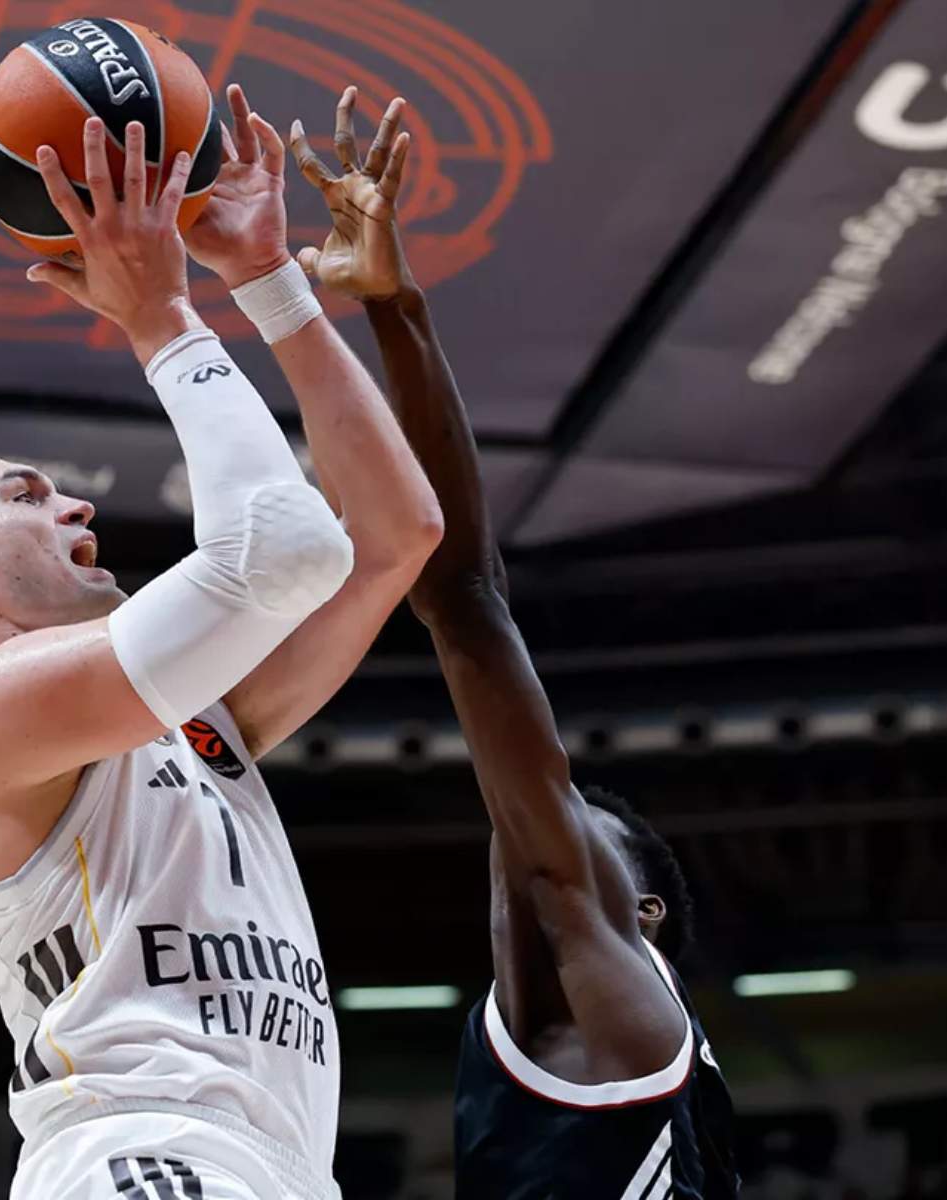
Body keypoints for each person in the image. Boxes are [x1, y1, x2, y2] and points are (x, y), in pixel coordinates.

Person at [0, 89, 441, 1200]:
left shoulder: (194, 720)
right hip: (140, 1154)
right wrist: (158, 315)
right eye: (24, 497)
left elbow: (395, 538)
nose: (75, 507)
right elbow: (280, 554)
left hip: (278, 1169)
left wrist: (268, 279)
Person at [288, 91, 740, 1198]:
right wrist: (391, 308)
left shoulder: (620, 1019)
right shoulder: (626, 1069)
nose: (540, 805)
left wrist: (398, 310)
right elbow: (465, 600)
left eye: (579, 817)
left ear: (643, 917)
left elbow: (468, 598)